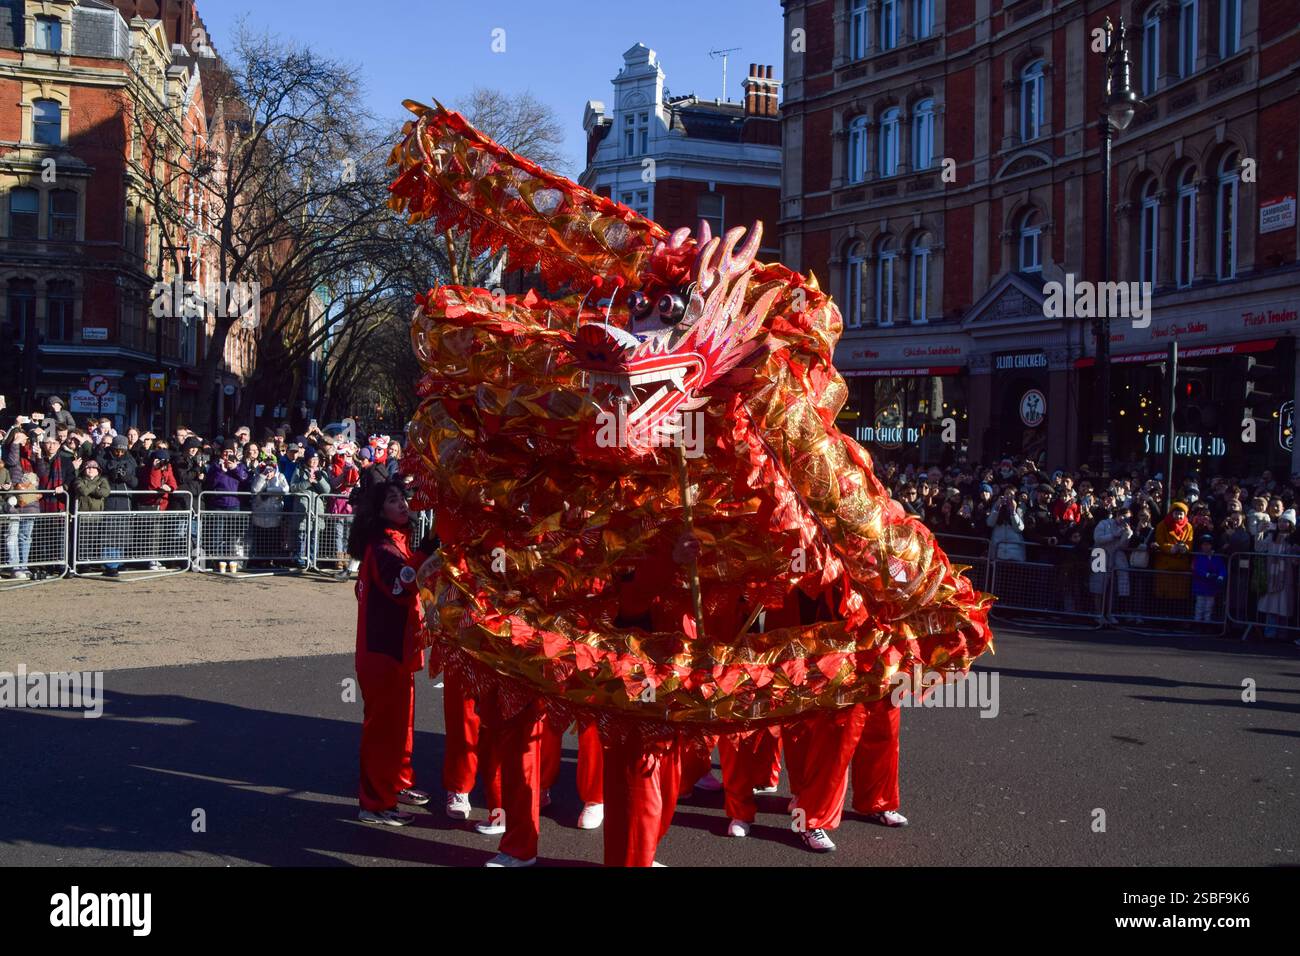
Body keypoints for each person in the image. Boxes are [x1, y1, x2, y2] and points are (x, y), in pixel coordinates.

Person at [349, 480, 437, 826]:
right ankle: (373, 803)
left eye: (402, 498)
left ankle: (396, 783)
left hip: (396, 649)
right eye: (392, 500)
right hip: (381, 651)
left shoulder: (395, 542)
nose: (402, 504)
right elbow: (402, 584)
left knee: (401, 725)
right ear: (378, 510)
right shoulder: (382, 546)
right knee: (382, 730)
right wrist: (429, 551)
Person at [203, 440, 247, 574]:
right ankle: (217, 561)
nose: (228, 455)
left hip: (234, 505)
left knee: (232, 536)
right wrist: (220, 471)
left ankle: (231, 560)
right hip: (218, 505)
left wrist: (233, 468)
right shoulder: (215, 466)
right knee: (217, 535)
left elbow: (244, 479)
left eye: (230, 452)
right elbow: (210, 484)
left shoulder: (240, 466)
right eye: (225, 452)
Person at [96, 435, 137, 578]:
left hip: (124, 501)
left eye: (122, 451)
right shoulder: (103, 456)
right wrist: (112, 469)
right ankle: (110, 564)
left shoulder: (130, 459)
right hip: (109, 500)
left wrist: (126, 475)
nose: (119, 453)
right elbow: (100, 466)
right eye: (117, 450)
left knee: (121, 534)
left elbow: (134, 479)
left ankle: (118, 561)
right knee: (108, 534)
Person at [1253, 510, 1296, 641]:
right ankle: (1269, 634)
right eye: (1281, 521)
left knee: (1283, 606)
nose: (1282, 524)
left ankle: (1283, 635)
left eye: (1285, 522)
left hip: (1286, 577)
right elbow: (1259, 548)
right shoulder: (1272, 536)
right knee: (1271, 606)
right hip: (1271, 576)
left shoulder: (1293, 539)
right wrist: (1259, 532)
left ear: (1291, 524)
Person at [1152, 502, 1194, 603]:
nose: (1178, 516)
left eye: (1181, 514)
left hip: (1182, 566)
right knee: (1164, 592)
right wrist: (1171, 548)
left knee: (1180, 593)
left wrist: (1185, 548)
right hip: (1165, 564)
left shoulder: (1189, 527)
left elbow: (1190, 541)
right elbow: (1160, 541)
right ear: (1171, 513)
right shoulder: (1162, 525)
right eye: (1176, 513)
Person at [1191, 534, 1227, 624]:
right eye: (1204, 544)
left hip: (1211, 587)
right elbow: (1196, 568)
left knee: (1209, 606)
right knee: (1199, 606)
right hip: (1201, 586)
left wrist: (1221, 577)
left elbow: (1222, 568)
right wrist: (1206, 575)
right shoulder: (1198, 556)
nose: (1206, 547)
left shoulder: (1216, 557)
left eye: (1208, 544)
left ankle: (1207, 623)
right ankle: (1197, 623)